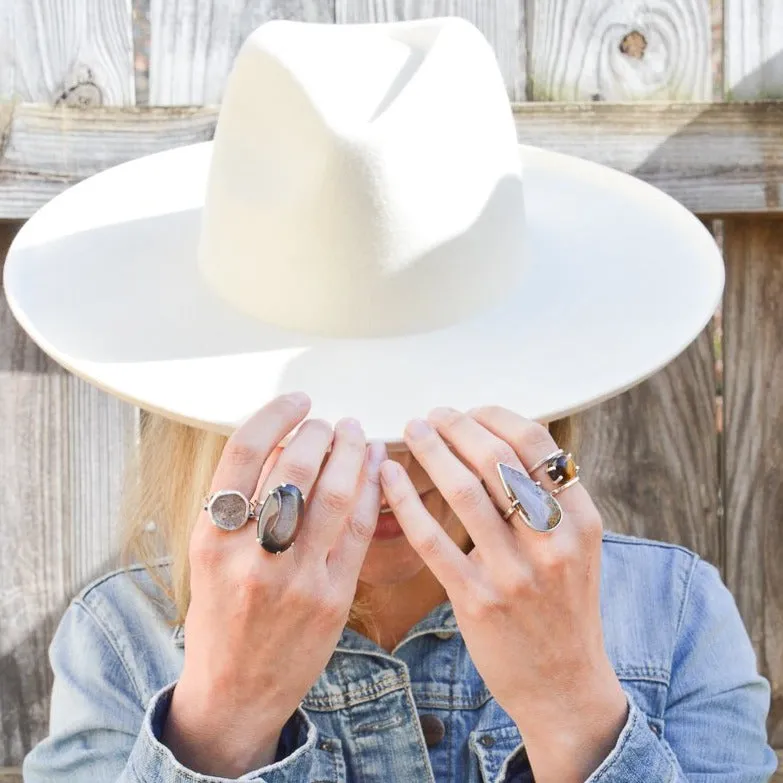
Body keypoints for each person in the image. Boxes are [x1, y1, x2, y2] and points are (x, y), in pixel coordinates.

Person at [8, 16, 777, 783]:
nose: (374, 466)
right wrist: (223, 716)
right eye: (328, 414)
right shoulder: (122, 637)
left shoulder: (670, 614)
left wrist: (572, 706)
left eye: (420, 407)